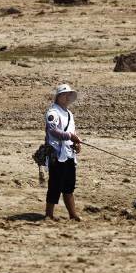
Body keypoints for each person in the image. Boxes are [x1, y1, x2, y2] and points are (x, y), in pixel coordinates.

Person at [44, 83, 81, 220]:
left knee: (69, 185)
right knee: (55, 185)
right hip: (57, 154)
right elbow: (53, 131)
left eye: (68, 95)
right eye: (64, 95)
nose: (67, 97)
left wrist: (76, 143)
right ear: (58, 97)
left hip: (69, 153)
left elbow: (73, 131)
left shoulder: (69, 113)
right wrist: (70, 136)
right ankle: (49, 215)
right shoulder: (53, 112)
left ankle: (73, 214)